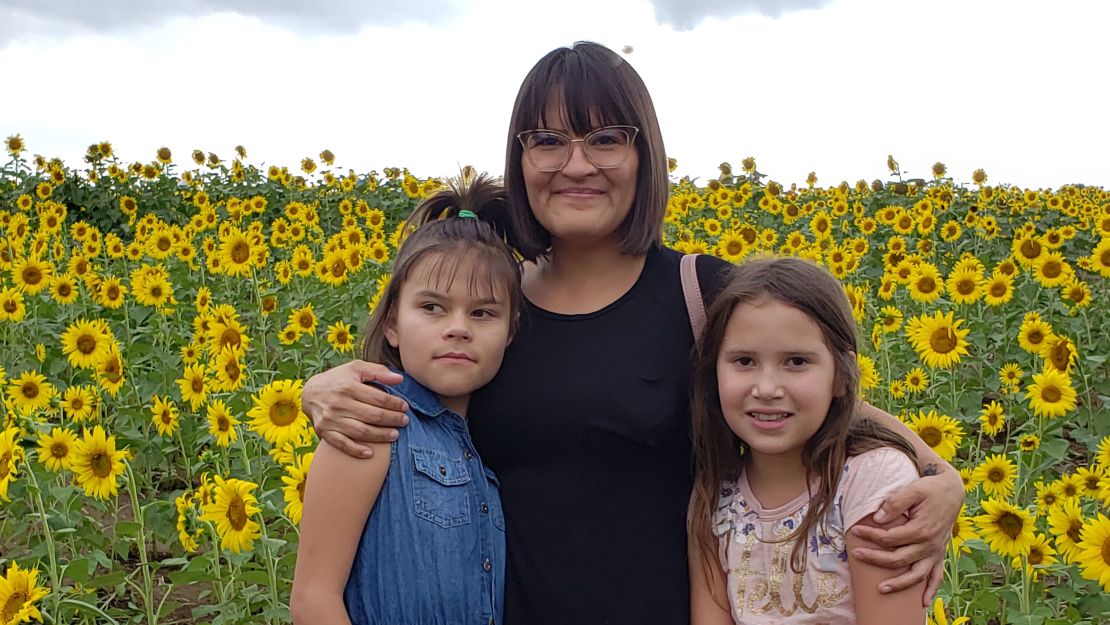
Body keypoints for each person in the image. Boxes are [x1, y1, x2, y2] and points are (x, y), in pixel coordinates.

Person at [303, 41, 964, 624]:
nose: (577, 164)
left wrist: (942, 476)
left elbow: (816, 397)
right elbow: (415, 405)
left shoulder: (699, 291)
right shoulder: (492, 306)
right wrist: (322, 387)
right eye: (549, 141)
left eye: (605, 139)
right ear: (521, 157)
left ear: (643, 153)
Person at [290, 173, 522, 625]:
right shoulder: (372, 422)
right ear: (393, 322)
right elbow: (313, 600)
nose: (458, 327)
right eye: (433, 307)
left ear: (510, 333)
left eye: (483, 313)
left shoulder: (487, 442)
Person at [687, 257, 926, 625]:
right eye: (744, 361)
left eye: (796, 362)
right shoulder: (715, 497)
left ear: (841, 377)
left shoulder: (872, 483)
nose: (766, 388)